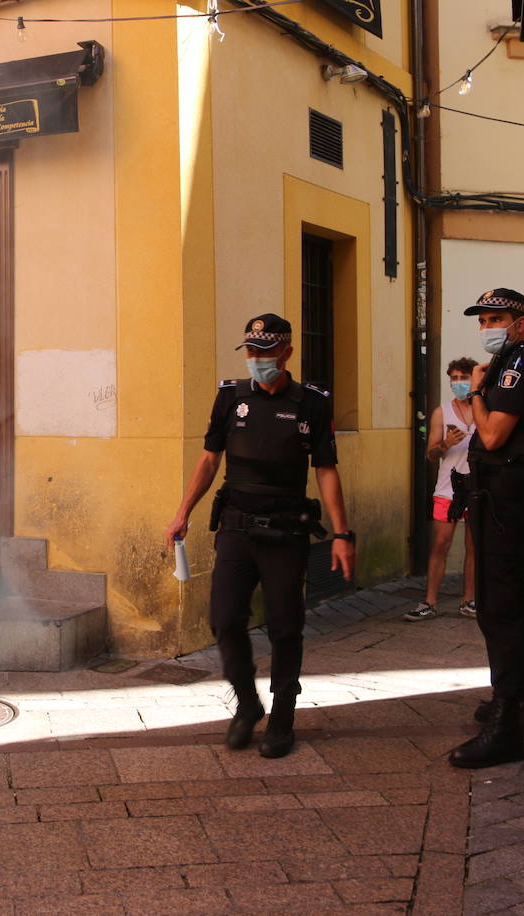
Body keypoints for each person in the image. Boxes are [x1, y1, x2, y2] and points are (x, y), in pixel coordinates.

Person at [164, 313, 355, 760]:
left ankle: (283, 717)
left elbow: (326, 470)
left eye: (266, 351)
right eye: (251, 350)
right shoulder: (231, 397)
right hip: (236, 526)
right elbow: (209, 459)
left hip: (286, 530)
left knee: (286, 626)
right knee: (224, 619)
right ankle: (247, 703)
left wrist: (343, 533)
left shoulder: (311, 403)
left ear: (287, 353)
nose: (257, 359)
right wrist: (182, 512)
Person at [451, 289, 524, 769]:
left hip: (506, 495)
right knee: (501, 601)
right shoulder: (510, 361)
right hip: (495, 494)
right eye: (482, 320)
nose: (487, 327)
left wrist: (476, 391)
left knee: (499, 605)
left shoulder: (523, 361)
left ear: (520, 322)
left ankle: (507, 725)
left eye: (496, 319)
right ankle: (515, 705)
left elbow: (494, 434)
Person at [405, 357, 479, 622]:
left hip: (477, 488)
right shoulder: (442, 412)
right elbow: (430, 454)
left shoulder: (484, 409)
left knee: (474, 546)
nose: (458, 383)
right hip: (448, 489)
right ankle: (429, 601)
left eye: (463, 378)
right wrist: (446, 443)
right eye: (454, 378)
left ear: (474, 380)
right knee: (440, 544)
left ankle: (469, 600)